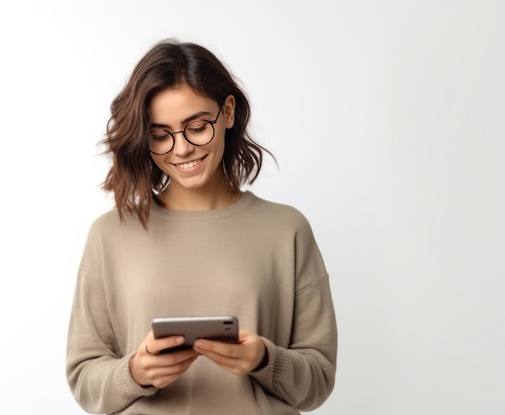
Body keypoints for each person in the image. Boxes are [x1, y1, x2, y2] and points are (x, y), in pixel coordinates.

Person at [66, 39, 337, 415]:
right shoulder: (110, 234)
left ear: (227, 112)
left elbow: (319, 380)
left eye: (196, 127)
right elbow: (83, 378)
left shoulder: (286, 229)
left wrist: (263, 359)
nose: (181, 149)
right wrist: (135, 372)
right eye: (160, 135)